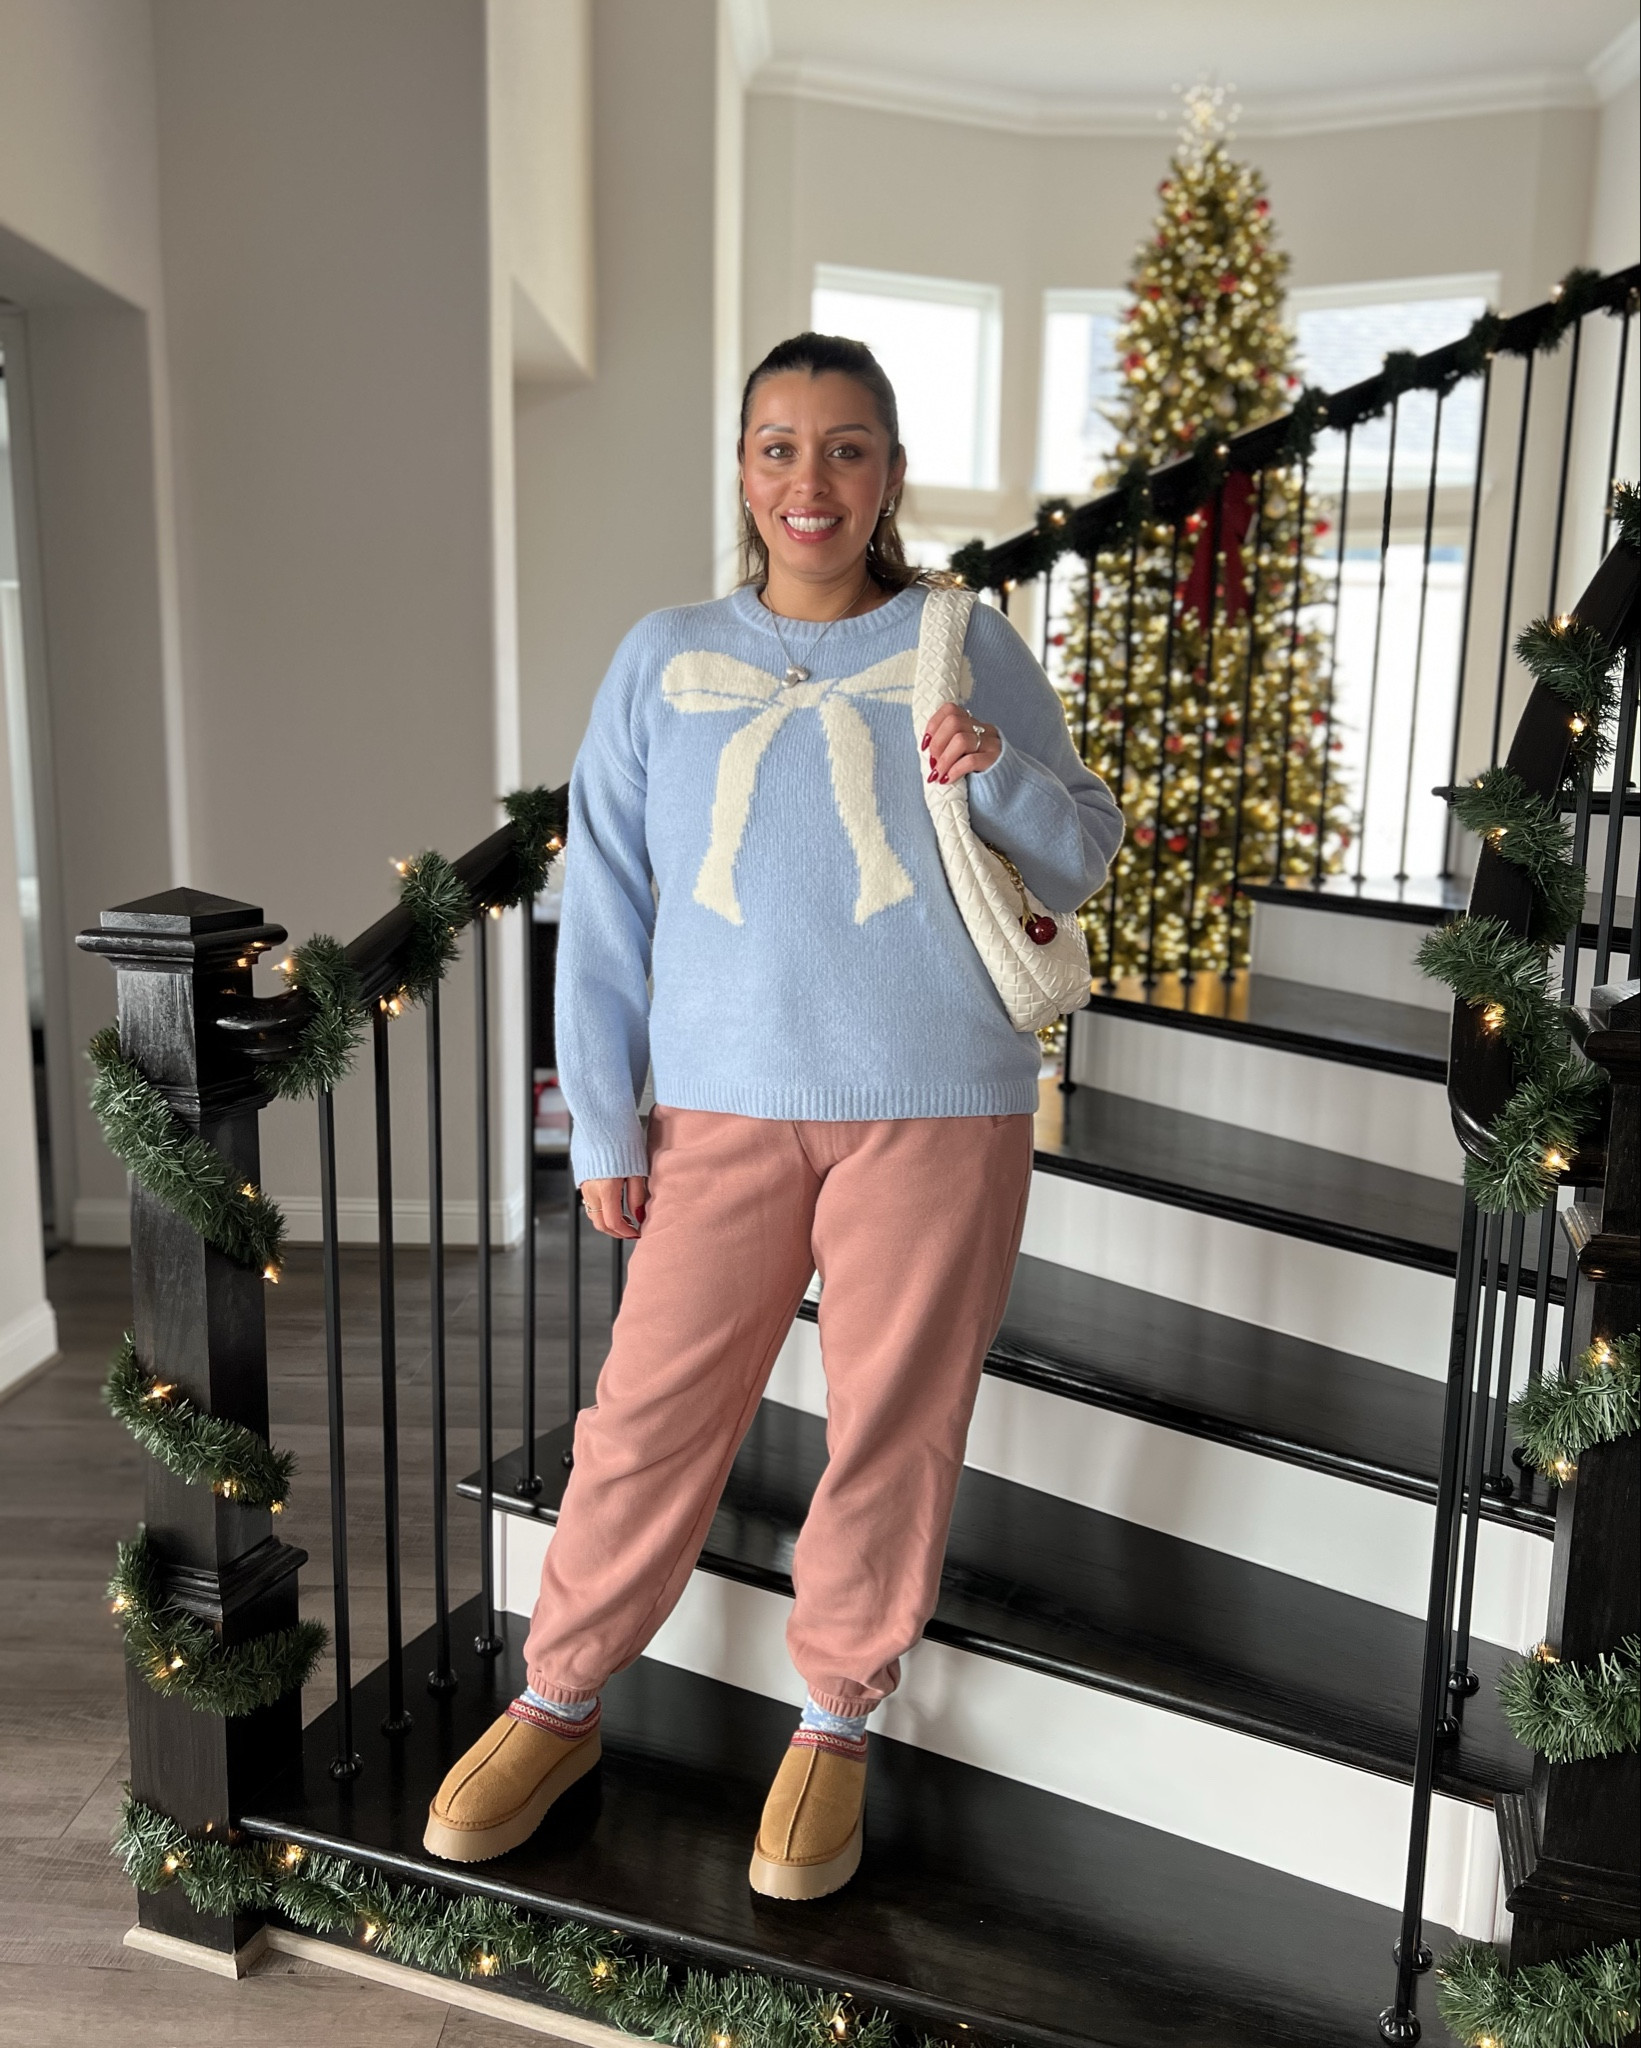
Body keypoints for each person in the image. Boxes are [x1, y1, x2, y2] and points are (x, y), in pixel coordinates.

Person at [424, 333, 1122, 1899]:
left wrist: (998, 771)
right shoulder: (661, 655)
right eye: (779, 448)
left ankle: (833, 1716)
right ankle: (561, 1692)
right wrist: (599, 1120)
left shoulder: (965, 640)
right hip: (720, 1117)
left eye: (848, 448)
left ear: (888, 474)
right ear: (743, 471)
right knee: (646, 1414)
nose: (811, 481)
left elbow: (1079, 855)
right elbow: (600, 900)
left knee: (890, 1416)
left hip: (936, 1104)